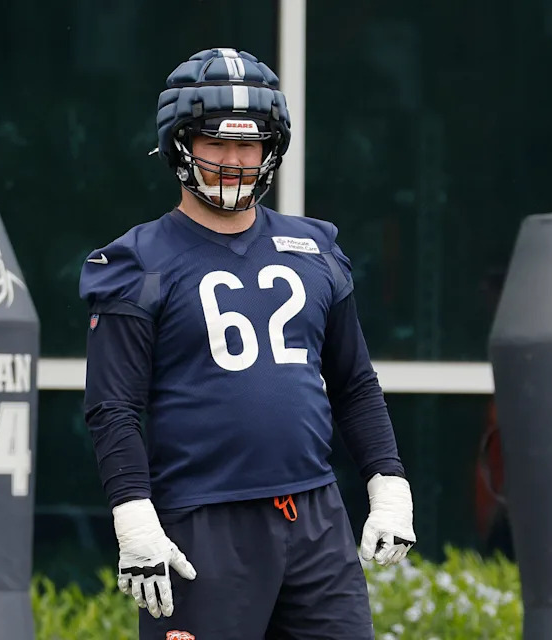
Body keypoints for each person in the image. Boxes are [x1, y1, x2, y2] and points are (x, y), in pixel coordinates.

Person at [79, 47, 416, 639]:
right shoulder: (139, 261)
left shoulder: (315, 248)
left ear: (272, 149)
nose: (234, 160)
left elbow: (354, 383)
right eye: (216, 142)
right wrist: (133, 515)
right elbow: (114, 408)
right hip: (202, 522)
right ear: (181, 143)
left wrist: (387, 480)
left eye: (249, 144)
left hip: (314, 516)